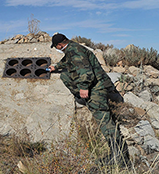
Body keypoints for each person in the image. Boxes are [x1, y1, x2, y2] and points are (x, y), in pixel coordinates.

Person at [48, 33, 130, 167]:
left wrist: (83, 87)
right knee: (65, 75)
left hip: (97, 88)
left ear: (60, 45)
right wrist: (56, 66)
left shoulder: (75, 51)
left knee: (104, 120)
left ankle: (120, 157)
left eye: (57, 47)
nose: (57, 49)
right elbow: (67, 61)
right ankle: (118, 154)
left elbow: (86, 72)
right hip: (99, 83)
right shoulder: (72, 48)